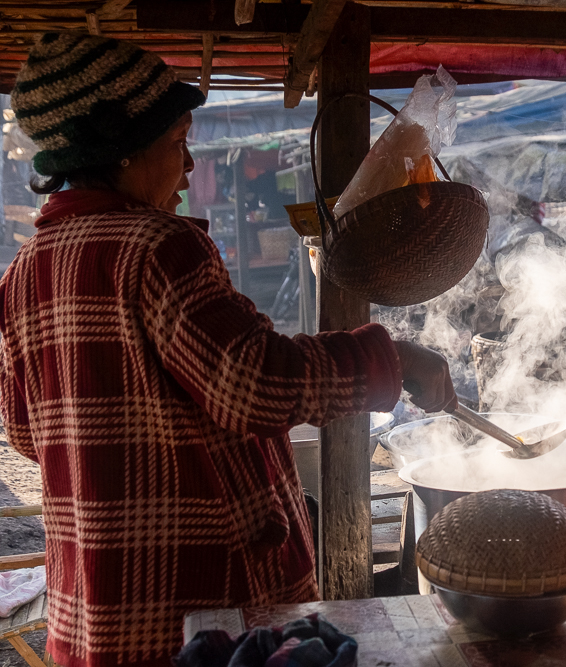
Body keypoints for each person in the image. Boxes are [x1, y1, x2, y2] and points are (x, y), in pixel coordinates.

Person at [0, 34, 457, 667]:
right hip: (199, 615)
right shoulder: (158, 246)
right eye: (177, 142)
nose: (189, 165)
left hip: (92, 615)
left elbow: (28, 434)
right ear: (122, 152)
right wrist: (394, 358)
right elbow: (255, 384)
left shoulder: (23, 272)